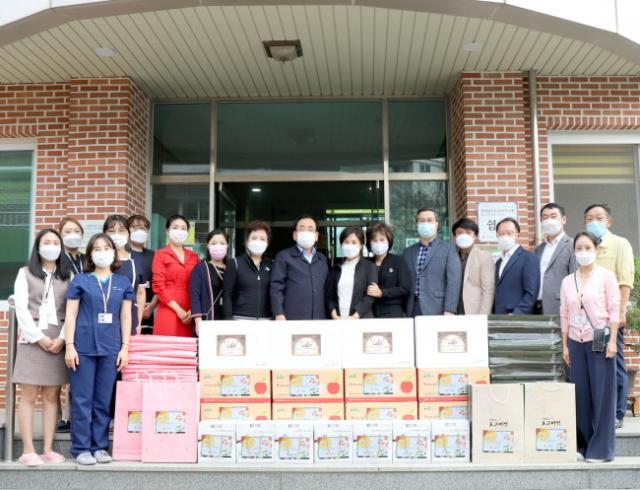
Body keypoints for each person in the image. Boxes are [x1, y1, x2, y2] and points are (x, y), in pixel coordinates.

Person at [64, 234, 133, 465]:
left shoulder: (123, 282)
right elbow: (71, 315)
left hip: (111, 348)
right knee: (82, 400)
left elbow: (126, 316)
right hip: (82, 348)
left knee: (103, 401)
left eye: (107, 248)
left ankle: (100, 447)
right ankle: (81, 448)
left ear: (114, 252)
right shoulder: (80, 281)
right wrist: (69, 346)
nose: (102, 252)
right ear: (90, 254)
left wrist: (125, 348)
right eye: (97, 249)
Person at [13, 229, 71, 466]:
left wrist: (63, 338)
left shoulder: (68, 276)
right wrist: (38, 337)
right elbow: (21, 308)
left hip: (58, 339)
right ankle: (28, 450)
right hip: (32, 339)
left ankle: (48, 449)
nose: (51, 246)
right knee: (28, 395)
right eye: (46, 242)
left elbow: (72, 311)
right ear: (38, 247)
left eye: (56, 242)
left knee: (51, 396)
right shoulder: (25, 273)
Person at [560, 231, 620, 462]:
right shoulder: (568, 281)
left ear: (596, 250)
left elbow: (614, 309)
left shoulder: (606, 277)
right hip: (576, 340)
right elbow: (564, 313)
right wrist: (565, 345)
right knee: (581, 394)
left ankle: (602, 450)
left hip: (600, 338)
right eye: (579, 248)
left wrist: (612, 341)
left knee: (603, 395)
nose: (583, 252)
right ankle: (584, 445)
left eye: (587, 248)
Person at [585, 203, 635, 429]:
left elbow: (625, 280)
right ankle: (601, 411)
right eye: (589, 218)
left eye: (599, 218)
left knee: (613, 361)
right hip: (590, 318)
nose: (593, 222)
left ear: (609, 221)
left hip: (610, 316)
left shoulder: (619, 244)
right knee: (597, 363)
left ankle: (617, 412)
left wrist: (621, 311)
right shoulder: (587, 247)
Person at [403, 208, 461, 317]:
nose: (425, 224)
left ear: (437, 224)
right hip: (411, 307)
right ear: (417, 224)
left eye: (429, 220)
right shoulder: (408, 252)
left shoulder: (449, 249)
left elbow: (454, 281)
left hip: (438, 308)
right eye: (421, 221)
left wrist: (450, 309)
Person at [270, 215, 330, 320]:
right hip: (292, 318)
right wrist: (279, 313)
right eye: (302, 229)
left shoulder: (322, 259)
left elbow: (327, 289)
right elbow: (276, 286)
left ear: (316, 236)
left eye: (310, 229)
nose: (306, 232)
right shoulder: (284, 257)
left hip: (319, 318)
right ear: (295, 235)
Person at [56, 217, 84, 433]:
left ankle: (72, 416)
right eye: (67, 231)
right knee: (56, 373)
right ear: (60, 234)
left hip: (82, 319)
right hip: (60, 319)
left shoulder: (87, 259)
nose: (72, 234)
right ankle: (59, 417)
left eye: (76, 230)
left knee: (77, 371)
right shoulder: (56, 261)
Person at [151, 215, 199, 337]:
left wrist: (193, 309)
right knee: (167, 344)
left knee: (188, 345)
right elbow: (159, 286)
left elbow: (199, 284)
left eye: (183, 228)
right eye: (175, 227)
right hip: (169, 306)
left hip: (190, 308)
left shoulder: (194, 256)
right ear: (167, 231)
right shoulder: (160, 254)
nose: (179, 231)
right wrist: (178, 310)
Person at [103, 215, 146, 335]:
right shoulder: (99, 260)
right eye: (112, 231)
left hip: (130, 317)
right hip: (103, 318)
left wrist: (138, 322)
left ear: (128, 233)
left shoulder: (135, 261)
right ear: (104, 234)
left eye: (121, 231)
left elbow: (140, 293)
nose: (116, 235)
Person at [223, 221, 273, 320]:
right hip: (240, 319)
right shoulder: (235, 263)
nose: (258, 241)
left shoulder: (272, 264)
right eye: (254, 238)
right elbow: (227, 294)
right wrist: (228, 320)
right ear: (246, 241)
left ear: (267, 243)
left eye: (262, 239)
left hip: (266, 320)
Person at [327, 227, 377, 320]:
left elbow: (370, 296)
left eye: (354, 242)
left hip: (361, 319)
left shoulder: (369, 266)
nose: (350, 245)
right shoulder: (336, 268)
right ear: (342, 244)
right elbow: (330, 295)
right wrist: (334, 314)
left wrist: (356, 316)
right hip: (339, 319)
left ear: (361, 245)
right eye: (346, 242)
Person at [493, 217, 540, 315]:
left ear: (517, 234)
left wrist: (518, 313)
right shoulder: (499, 262)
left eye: (509, 233)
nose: (505, 236)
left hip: (517, 317)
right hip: (499, 315)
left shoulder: (528, 258)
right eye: (501, 233)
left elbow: (532, 292)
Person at [535, 203, 576, 315]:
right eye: (545, 217)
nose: (549, 220)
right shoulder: (539, 249)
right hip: (536, 306)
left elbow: (575, 279)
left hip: (560, 306)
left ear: (563, 220)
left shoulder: (573, 245)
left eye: (553, 216)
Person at [365, 222, 410, 318]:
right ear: (369, 243)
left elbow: (405, 288)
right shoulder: (366, 263)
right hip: (370, 312)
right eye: (374, 240)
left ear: (389, 241)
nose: (378, 243)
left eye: (382, 240)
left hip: (392, 312)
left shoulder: (398, 261)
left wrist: (382, 293)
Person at [452, 218, 495, 315]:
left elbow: (488, 291)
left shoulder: (484, 256)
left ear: (475, 236)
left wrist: (483, 316)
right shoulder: (451, 255)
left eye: (468, 232)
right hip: (453, 311)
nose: (464, 235)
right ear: (455, 236)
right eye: (459, 232)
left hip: (473, 311)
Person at [190, 229, 228, 335]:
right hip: (207, 319)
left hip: (228, 320)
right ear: (208, 245)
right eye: (214, 243)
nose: (218, 246)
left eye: (222, 243)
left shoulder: (232, 267)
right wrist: (198, 321)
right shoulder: (201, 268)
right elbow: (195, 296)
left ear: (227, 245)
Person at [128, 214, 158, 334]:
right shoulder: (122, 254)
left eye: (144, 228)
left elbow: (159, 283)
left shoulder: (153, 255)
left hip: (148, 308)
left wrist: (151, 306)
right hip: (126, 306)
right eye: (135, 228)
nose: (140, 231)